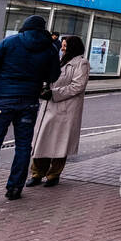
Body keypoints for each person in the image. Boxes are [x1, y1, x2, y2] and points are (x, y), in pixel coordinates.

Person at [0, 15, 61, 205]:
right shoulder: (50, 48)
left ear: (24, 27)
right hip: (29, 102)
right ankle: (15, 188)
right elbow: (54, 75)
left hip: (3, 100)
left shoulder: (9, 43)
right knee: (24, 146)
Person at [26, 35, 90, 188]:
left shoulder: (81, 63)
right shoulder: (58, 61)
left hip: (65, 109)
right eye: (62, 45)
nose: (62, 48)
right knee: (41, 141)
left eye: (65, 45)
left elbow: (78, 86)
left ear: (73, 47)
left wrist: (54, 93)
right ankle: (36, 174)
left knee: (60, 144)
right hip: (49, 107)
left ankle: (53, 175)